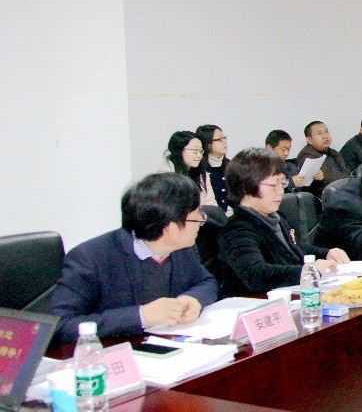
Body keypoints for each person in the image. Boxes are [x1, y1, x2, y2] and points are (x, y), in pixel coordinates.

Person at [47, 172, 218, 343]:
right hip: (111, 352)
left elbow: (206, 282)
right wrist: (140, 316)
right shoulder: (90, 258)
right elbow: (59, 325)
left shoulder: (182, 248)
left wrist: (192, 299)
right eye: (197, 218)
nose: (201, 223)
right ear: (171, 229)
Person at [218, 148, 350, 294]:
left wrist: (325, 253)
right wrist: (309, 271)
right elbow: (256, 275)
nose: (280, 191)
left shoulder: (276, 218)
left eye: (283, 183)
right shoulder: (237, 230)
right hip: (255, 302)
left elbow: (294, 249)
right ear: (246, 186)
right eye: (274, 185)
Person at [159, 131, 217, 208]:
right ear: (179, 150)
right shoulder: (166, 175)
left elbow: (211, 203)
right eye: (195, 151)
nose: (200, 155)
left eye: (201, 151)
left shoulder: (200, 172)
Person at [293, 121, 351, 196]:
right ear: (309, 140)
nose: (325, 136)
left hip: (344, 190)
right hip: (329, 196)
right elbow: (329, 180)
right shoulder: (308, 158)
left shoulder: (333, 152)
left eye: (326, 132)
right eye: (319, 133)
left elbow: (347, 172)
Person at [194, 124, 232, 210]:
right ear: (208, 144)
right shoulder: (199, 168)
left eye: (224, 138)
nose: (224, 142)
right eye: (219, 139)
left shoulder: (230, 165)